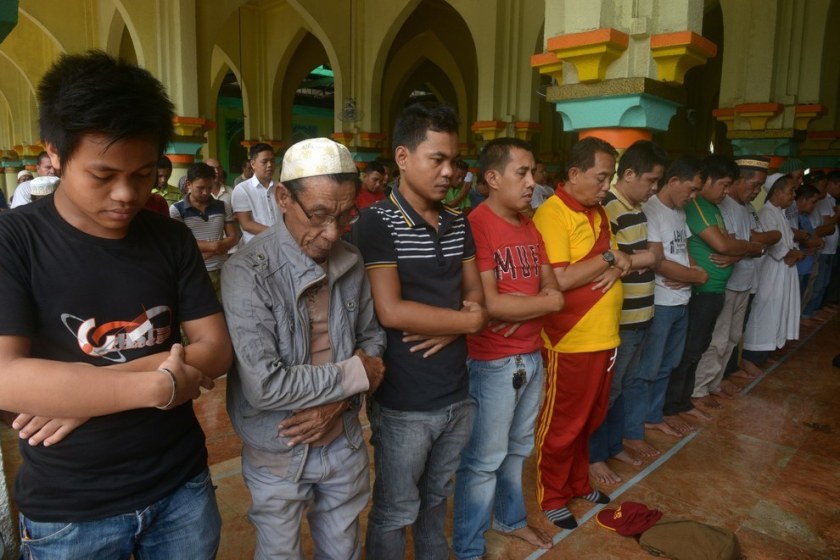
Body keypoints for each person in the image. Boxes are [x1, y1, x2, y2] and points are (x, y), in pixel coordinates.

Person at [0, 50, 231, 559]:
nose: (126, 194)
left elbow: (216, 350)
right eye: (102, 176)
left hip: (181, 487)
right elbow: (7, 377)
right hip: (73, 508)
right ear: (54, 153)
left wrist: (84, 397)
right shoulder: (14, 241)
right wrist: (158, 382)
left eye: (144, 173)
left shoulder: (170, 239)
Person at [223, 137, 385, 559]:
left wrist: (337, 404)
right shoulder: (247, 272)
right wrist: (355, 376)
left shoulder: (350, 261)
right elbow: (265, 385)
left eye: (344, 216)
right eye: (317, 216)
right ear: (282, 198)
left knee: (343, 549)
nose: (331, 234)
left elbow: (372, 338)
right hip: (279, 448)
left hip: (343, 439)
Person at [353, 103, 487, 559]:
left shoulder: (457, 222)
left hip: (456, 389)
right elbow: (391, 310)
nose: (450, 172)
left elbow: (478, 297)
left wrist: (459, 324)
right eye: (438, 159)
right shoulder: (376, 223)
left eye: (455, 161)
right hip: (404, 399)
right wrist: (465, 321)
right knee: (395, 509)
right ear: (403, 157)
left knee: (436, 499)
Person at [453, 138, 561, 559]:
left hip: (531, 353)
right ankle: (467, 547)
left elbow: (556, 292)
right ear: (492, 178)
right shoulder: (477, 224)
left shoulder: (528, 225)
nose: (532, 182)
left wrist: (533, 306)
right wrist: (542, 304)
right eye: (523, 172)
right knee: (483, 459)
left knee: (518, 448)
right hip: (494, 361)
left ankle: (510, 519)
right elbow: (491, 303)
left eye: (534, 172)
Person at [532, 136, 631, 530]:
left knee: (590, 417)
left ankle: (575, 481)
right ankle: (552, 493)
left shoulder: (599, 213)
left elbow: (621, 260)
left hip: (604, 337)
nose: (607, 187)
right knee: (562, 423)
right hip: (569, 340)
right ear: (574, 174)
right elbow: (558, 278)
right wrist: (608, 259)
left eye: (609, 178)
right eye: (601, 177)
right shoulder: (553, 214)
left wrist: (615, 261)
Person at [661, 155, 763, 426]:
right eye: (724, 185)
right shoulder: (698, 206)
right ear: (706, 181)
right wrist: (749, 248)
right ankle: (675, 404)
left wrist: (739, 247)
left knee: (700, 347)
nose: (726, 191)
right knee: (690, 350)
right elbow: (723, 245)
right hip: (701, 292)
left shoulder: (713, 207)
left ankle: (682, 401)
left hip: (714, 289)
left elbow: (731, 243)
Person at [590, 140, 666, 481]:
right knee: (608, 388)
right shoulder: (609, 207)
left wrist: (645, 258)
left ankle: (611, 445)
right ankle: (593, 455)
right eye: (651, 180)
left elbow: (647, 257)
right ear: (630, 173)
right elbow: (610, 262)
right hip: (620, 319)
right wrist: (646, 258)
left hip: (640, 315)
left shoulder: (635, 208)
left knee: (624, 385)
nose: (654, 188)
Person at [626, 157, 708, 441]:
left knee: (668, 364)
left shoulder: (679, 212)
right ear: (674, 182)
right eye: (692, 188)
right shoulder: (652, 210)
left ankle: (653, 415)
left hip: (680, 299)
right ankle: (635, 426)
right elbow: (658, 261)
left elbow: (683, 251)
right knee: (648, 368)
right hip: (660, 301)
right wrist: (693, 276)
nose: (694, 196)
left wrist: (691, 270)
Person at [690, 157, 780, 407]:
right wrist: (749, 248)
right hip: (724, 285)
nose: (756, 191)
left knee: (731, 337)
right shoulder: (721, 205)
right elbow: (725, 246)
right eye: (753, 185)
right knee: (716, 340)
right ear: (737, 181)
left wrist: (747, 249)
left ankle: (715, 382)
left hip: (744, 282)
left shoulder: (748, 210)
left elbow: (750, 246)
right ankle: (699, 389)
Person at [742, 174, 804, 370]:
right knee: (764, 313)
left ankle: (766, 351)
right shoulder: (767, 213)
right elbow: (780, 251)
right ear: (777, 192)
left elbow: (789, 244)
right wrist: (795, 254)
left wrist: (794, 253)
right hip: (771, 273)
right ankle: (752, 357)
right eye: (790, 191)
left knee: (776, 312)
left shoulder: (780, 213)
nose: (793, 195)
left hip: (782, 274)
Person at [170, 162, 239, 300]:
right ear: (189, 184)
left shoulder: (222, 206)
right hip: (194, 271)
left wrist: (211, 249)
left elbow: (234, 236)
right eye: (200, 188)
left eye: (209, 187)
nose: (205, 192)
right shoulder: (176, 210)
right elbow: (182, 243)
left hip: (223, 270)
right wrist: (215, 247)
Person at [232, 143, 278, 244]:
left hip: (280, 245)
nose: (270, 165)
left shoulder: (280, 188)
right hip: (256, 248)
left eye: (272, 161)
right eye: (264, 161)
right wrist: (278, 233)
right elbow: (247, 224)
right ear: (253, 164)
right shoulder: (242, 189)